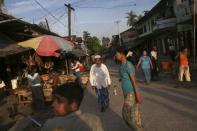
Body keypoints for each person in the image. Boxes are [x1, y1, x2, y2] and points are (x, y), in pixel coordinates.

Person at [115, 47, 142, 131]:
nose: (115, 55)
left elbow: (133, 81)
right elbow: (124, 77)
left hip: (131, 93)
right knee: (134, 113)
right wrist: (118, 81)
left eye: (117, 54)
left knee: (126, 115)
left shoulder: (128, 65)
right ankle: (138, 127)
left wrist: (138, 95)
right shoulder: (121, 65)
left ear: (122, 54)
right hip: (126, 93)